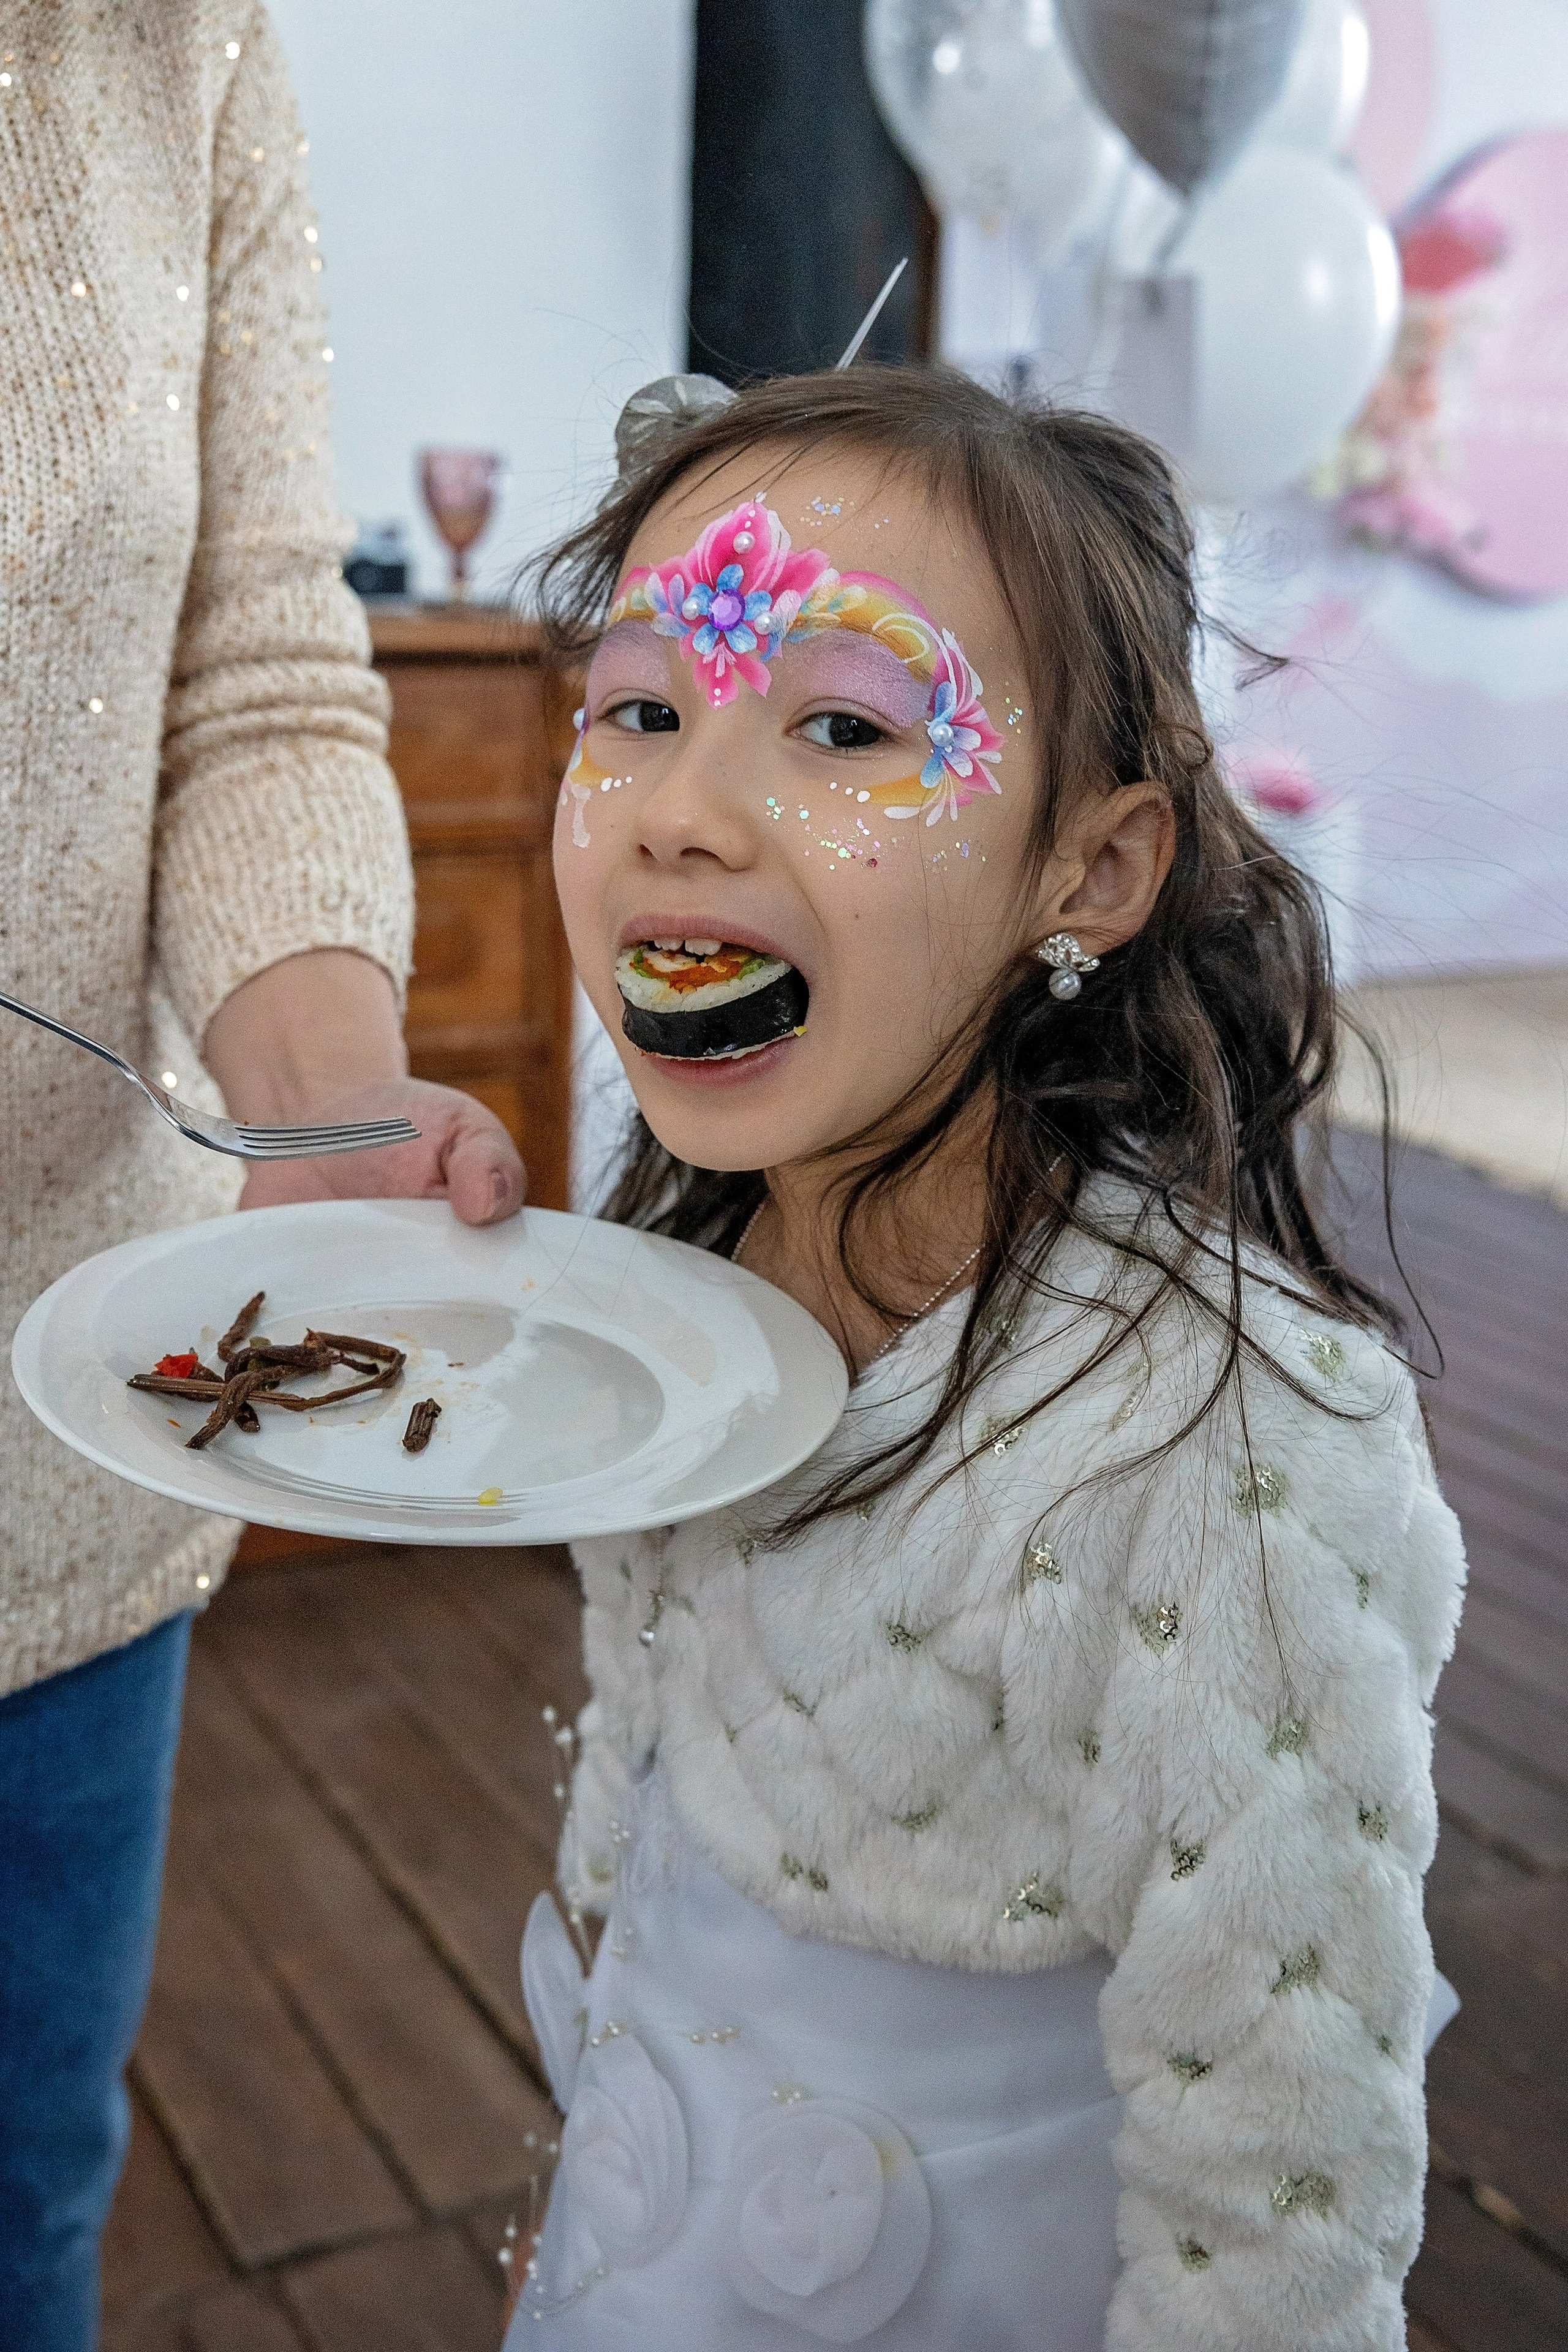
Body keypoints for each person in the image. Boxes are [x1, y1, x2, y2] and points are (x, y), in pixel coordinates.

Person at [508, 364, 1466, 2350]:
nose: (682, 811)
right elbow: (649, 1750)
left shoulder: (1233, 1455)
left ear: (1092, 872)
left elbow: (1280, 2206)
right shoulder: (673, 1287)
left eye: (845, 725)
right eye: (638, 712)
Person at [0, 10, 522, 2346]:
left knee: (22, 2206)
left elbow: (255, 674)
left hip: (81, 1424)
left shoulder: (176, 39)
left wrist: (326, 1113)